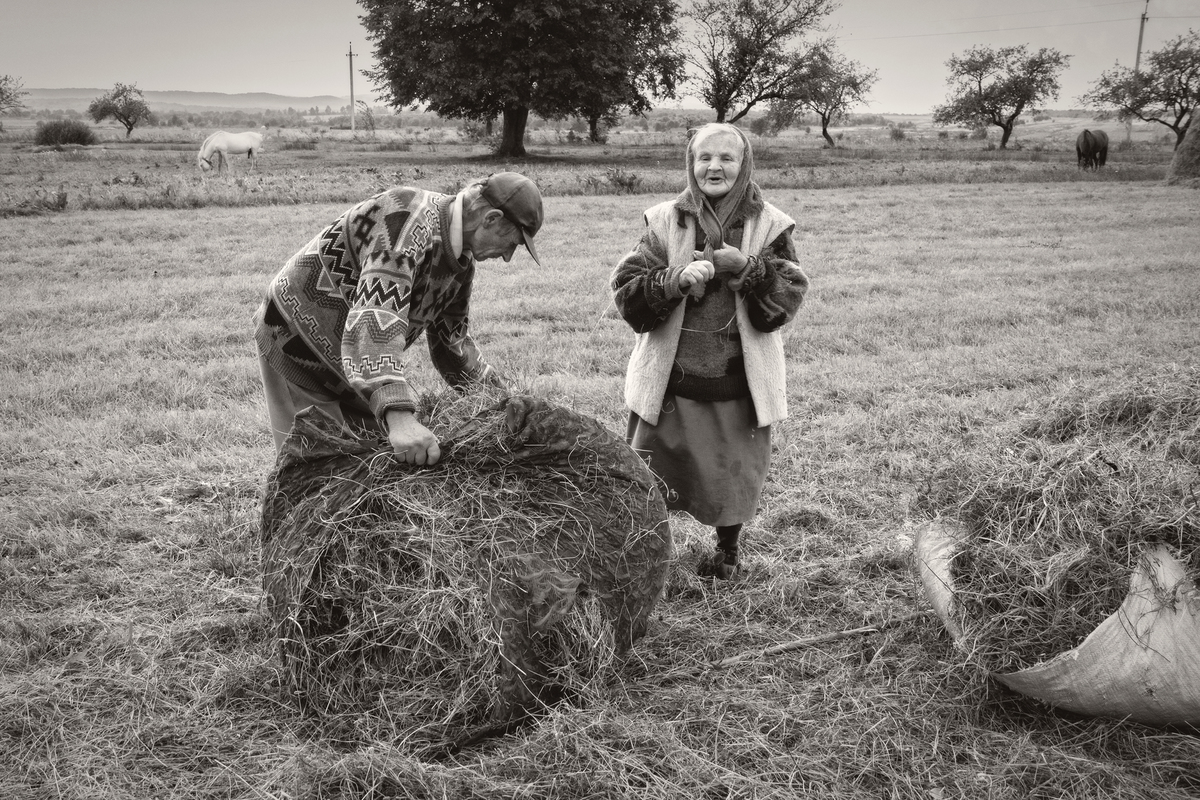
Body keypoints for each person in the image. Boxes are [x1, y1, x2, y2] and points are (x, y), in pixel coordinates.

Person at [610, 123, 809, 580]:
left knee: (731, 478)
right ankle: (646, 557)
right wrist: (673, 280)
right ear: (690, 163)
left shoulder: (771, 224)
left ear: (744, 165)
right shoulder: (663, 220)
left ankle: (727, 554)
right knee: (649, 476)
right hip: (671, 382)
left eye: (726, 158)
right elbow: (626, 291)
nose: (714, 167)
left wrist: (752, 270)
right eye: (704, 158)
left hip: (736, 383)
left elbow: (788, 299)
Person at [254, 171, 543, 465]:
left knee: (366, 467)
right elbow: (375, 320)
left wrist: (503, 402)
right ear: (491, 218)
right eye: (513, 242)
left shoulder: (460, 264)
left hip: (350, 364)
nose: (508, 256)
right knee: (316, 474)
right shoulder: (406, 223)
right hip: (296, 341)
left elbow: (452, 344)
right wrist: (399, 416)